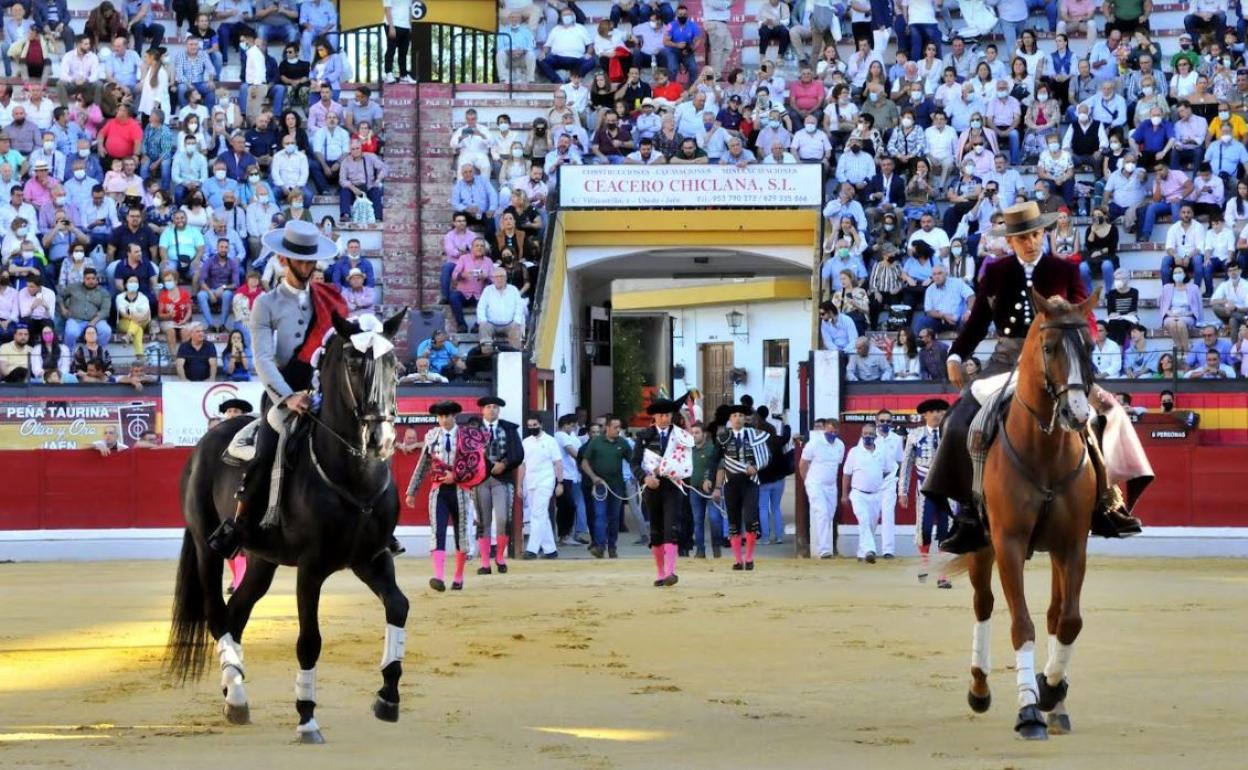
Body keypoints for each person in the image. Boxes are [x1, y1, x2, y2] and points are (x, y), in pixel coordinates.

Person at [924, 201, 1146, 554]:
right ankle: (967, 511)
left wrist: (1085, 349)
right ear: (1010, 241)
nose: (1031, 242)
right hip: (1007, 360)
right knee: (956, 422)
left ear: (1044, 234)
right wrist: (956, 354)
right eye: (1023, 237)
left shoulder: (1064, 269)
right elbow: (979, 320)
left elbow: (1081, 314)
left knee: (1108, 412)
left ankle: (1106, 500)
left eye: (1037, 234)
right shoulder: (995, 272)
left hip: (1058, 358)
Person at [206, 220, 344, 559]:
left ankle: (374, 528)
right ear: (284, 261)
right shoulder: (265, 303)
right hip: (281, 395)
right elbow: (264, 360)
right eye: (302, 260)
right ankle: (239, 524)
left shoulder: (327, 299)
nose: (309, 267)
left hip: (320, 392)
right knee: (266, 448)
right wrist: (288, 396)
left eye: (312, 260)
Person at [405, 401, 477, 592]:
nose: (444, 420)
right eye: (441, 416)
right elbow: (422, 465)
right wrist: (412, 491)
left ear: (455, 417)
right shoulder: (431, 436)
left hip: (460, 490)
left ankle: (459, 576)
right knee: (438, 532)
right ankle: (438, 576)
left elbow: (475, 466)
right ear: (438, 418)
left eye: (448, 416)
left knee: (461, 533)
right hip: (438, 491)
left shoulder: (466, 437)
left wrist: (456, 476)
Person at [631, 399, 692, 586]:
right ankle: (660, 573)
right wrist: (645, 478)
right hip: (652, 487)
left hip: (673, 486)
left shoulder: (681, 436)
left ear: (672, 416)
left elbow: (685, 463)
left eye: (667, 415)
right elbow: (634, 463)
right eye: (661, 415)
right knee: (656, 529)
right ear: (654, 416)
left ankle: (670, 572)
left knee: (671, 527)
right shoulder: (644, 436)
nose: (664, 418)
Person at [900, 398, 953, 586]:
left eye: (940, 411)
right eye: (933, 411)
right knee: (925, 528)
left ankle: (943, 574)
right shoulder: (915, 435)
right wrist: (902, 491)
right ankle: (924, 565)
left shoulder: (951, 434)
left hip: (947, 488)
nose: (937, 414)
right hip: (925, 489)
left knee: (946, 531)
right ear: (925, 414)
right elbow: (906, 465)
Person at [713, 403, 771, 571]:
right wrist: (715, 484)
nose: (737, 418)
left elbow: (766, 455)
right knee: (733, 522)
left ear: (745, 418)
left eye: (740, 415)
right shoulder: (723, 438)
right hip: (731, 484)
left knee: (751, 519)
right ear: (730, 420)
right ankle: (738, 559)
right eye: (734, 416)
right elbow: (716, 462)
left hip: (750, 483)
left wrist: (757, 467)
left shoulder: (755, 435)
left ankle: (749, 557)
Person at [473, 396, 525, 576]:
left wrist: (505, 464)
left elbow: (518, 453)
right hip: (481, 480)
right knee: (483, 521)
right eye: (488, 407)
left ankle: (500, 557)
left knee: (503, 519)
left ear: (499, 411)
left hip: (503, 479)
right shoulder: (473, 429)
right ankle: (485, 563)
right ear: (482, 410)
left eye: (495, 407)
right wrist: (489, 467)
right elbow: (467, 454)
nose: (492, 410)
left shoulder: (509, 429)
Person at [580, 415, 633, 558]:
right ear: (607, 428)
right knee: (599, 515)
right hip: (600, 485)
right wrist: (593, 477)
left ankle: (612, 547)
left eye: (619, 428)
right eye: (615, 427)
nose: (618, 430)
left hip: (616, 486)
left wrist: (639, 475)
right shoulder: (596, 442)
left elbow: (633, 460)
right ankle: (600, 546)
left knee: (614, 517)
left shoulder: (623, 443)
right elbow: (584, 462)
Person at [841, 420, 886, 564]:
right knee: (864, 521)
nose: (868, 436)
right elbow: (846, 474)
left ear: (875, 436)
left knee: (871, 525)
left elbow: (889, 469)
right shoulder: (854, 452)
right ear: (861, 435)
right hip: (858, 493)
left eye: (871, 434)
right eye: (865, 433)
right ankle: (870, 550)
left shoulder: (881, 451)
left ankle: (862, 553)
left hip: (876, 494)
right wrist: (844, 494)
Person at [801, 417, 845, 559]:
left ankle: (825, 547)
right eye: (830, 430)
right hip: (815, 483)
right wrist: (807, 480)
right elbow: (803, 464)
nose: (832, 433)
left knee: (829, 515)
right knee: (822, 513)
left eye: (835, 431)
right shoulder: (814, 444)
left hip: (831, 485)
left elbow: (836, 466)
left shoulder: (840, 445)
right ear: (825, 429)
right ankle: (824, 549)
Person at [521, 415, 563, 560]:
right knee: (541, 515)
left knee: (537, 514)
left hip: (545, 481)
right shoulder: (526, 442)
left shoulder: (550, 441)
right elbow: (523, 465)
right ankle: (550, 550)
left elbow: (558, 463)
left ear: (541, 424)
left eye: (535, 424)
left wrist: (560, 482)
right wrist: (520, 485)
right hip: (530, 482)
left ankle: (532, 549)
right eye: (530, 425)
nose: (532, 427)